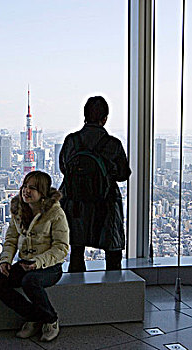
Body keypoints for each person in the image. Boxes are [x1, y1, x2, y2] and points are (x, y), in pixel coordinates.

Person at [0, 171, 69, 342]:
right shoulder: (18, 210)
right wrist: (5, 261)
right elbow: (10, 240)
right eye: (25, 186)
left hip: (49, 267)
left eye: (32, 188)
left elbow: (61, 248)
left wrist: (37, 262)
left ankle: (51, 320)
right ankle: (33, 316)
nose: (26, 191)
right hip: (25, 263)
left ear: (43, 192)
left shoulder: (55, 213)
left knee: (30, 281)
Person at [59, 96, 131, 272]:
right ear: (104, 118)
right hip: (105, 205)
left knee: (76, 251)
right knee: (112, 253)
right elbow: (123, 174)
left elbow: (63, 168)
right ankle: (113, 295)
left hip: (75, 205)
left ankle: (77, 295)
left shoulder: (72, 141)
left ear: (84, 116)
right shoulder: (113, 144)